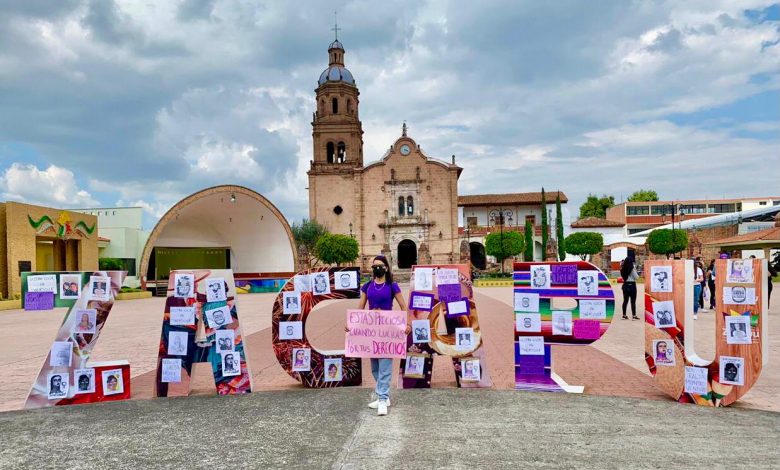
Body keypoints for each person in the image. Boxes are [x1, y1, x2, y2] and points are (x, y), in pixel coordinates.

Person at [351, 255, 410, 416]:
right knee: (375, 367)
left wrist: (407, 323)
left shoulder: (392, 286)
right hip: (371, 331)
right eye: (374, 266)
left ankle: (382, 399)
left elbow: (403, 306)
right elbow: (360, 308)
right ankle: (383, 395)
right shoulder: (367, 286)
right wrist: (352, 324)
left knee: (385, 365)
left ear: (386, 267)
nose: (376, 268)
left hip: (387, 330)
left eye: (379, 265)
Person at [620, 255, 639, 320]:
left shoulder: (622, 269)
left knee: (625, 301)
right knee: (633, 301)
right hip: (632, 285)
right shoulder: (632, 268)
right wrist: (635, 269)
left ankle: (624, 315)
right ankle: (634, 316)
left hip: (625, 285)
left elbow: (623, 277)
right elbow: (637, 277)